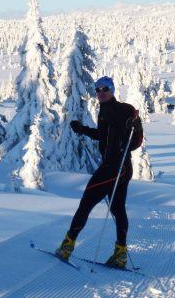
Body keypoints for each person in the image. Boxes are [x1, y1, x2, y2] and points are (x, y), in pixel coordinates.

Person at [55, 76, 143, 268]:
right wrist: (83, 129)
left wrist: (135, 124)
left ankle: (67, 247)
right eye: (98, 90)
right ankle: (120, 254)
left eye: (105, 89)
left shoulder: (122, 109)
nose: (101, 93)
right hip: (119, 168)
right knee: (117, 209)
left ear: (112, 90)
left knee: (86, 203)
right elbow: (103, 135)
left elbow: (135, 142)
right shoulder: (104, 111)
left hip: (116, 167)